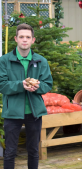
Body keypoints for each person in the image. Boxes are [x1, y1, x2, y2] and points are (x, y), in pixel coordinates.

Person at [0, 23, 53, 169]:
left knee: (34, 151)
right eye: (21, 37)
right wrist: (20, 85)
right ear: (16, 39)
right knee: (10, 152)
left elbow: (48, 84)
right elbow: (2, 85)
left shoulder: (41, 61)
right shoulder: (4, 60)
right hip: (12, 113)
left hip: (34, 113)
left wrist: (37, 87)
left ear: (33, 40)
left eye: (28, 37)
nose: (25, 40)